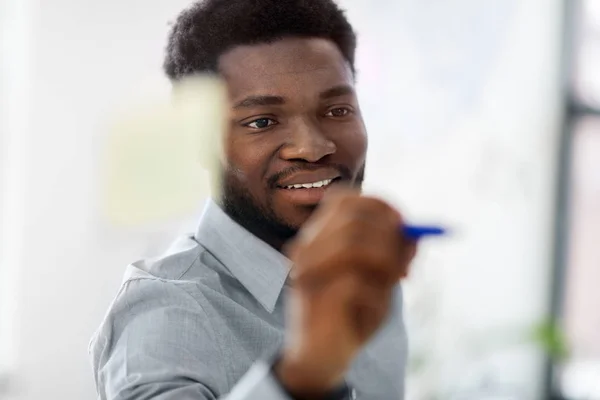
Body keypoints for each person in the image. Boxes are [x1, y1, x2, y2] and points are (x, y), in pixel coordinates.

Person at [90, 0, 417, 399]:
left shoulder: (368, 282)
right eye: (261, 121)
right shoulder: (163, 311)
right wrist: (304, 373)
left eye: (337, 109)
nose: (312, 147)